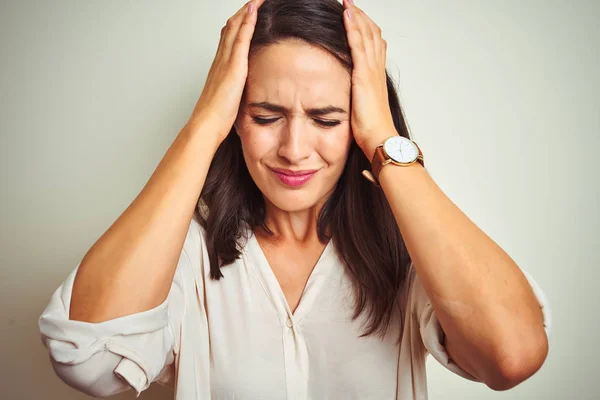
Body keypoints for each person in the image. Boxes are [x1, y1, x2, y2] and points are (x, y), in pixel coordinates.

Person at [38, 0, 551, 398]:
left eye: (327, 119)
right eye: (265, 116)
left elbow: (512, 357)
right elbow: (88, 361)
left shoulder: (409, 255)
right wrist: (203, 125)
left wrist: (383, 139)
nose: (294, 150)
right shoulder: (187, 256)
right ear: (235, 118)